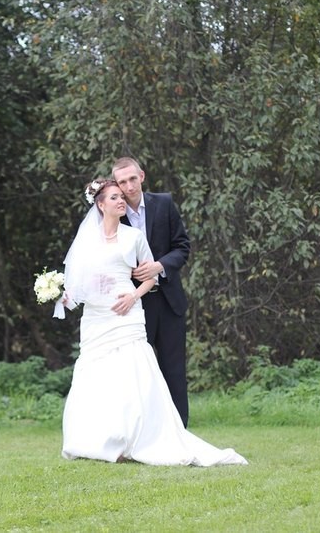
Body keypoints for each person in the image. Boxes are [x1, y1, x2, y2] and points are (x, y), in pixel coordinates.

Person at [56, 179, 246, 466]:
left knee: (132, 375)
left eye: (122, 197)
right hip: (96, 317)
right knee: (97, 376)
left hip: (126, 314)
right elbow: (80, 284)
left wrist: (133, 296)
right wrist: (63, 296)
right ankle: (99, 440)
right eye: (114, 197)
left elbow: (151, 277)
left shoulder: (133, 237)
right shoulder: (86, 241)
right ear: (100, 205)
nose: (121, 201)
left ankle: (135, 438)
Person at [112, 157, 191, 427]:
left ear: (142, 176)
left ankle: (180, 430)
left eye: (132, 179)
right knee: (139, 373)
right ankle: (144, 430)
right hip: (134, 306)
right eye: (122, 182)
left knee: (174, 370)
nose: (129, 186)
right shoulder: (113, 214)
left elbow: (182, 247)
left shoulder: (164, 203)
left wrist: (160, 265)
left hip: (169, 302)